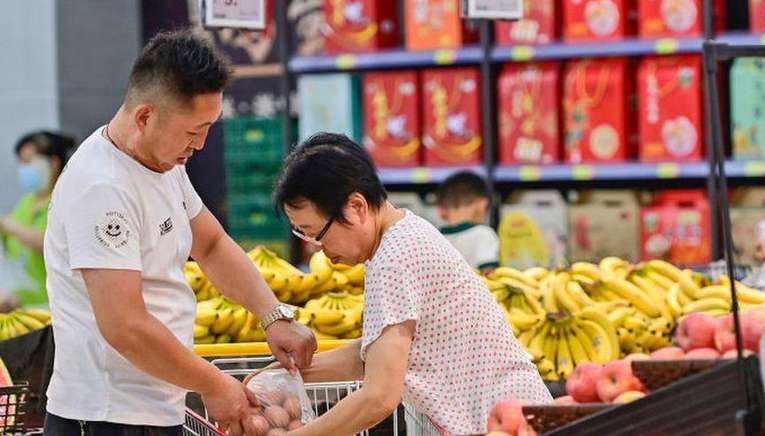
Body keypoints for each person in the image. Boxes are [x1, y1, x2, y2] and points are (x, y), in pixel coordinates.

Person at [42, 30, 316, 436]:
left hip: (155, 409)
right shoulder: (101, 188)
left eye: (208, 127)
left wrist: (272, 315)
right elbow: (125, 326)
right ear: (144, 117)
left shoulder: (163, 163)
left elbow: (212, 244)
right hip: (106, 417)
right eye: (193, 131)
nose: (201, 144)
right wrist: (213, 383)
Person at [249, 132, 551, 435]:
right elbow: (376, 355)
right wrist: (282, 375)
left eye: (316, 232)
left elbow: (379, 397)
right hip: (506, 416)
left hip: (505, 422)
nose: (316, 247)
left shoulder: (394, 259)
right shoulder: (403, 235)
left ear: (356, 207)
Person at [0, 131, 75, 309]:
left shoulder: (66, 200)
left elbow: (49, 242)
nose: (23, 169)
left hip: (55, 308)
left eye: (29, 162)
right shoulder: (27, 202)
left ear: (54, 163)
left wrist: (9, 226)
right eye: (21, 162)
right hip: (21, 304)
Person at [436, 171, 500, 273]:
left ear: (441, 211)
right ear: (483, 204)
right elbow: (489, 273)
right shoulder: (484, 234)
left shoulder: (434, 237)